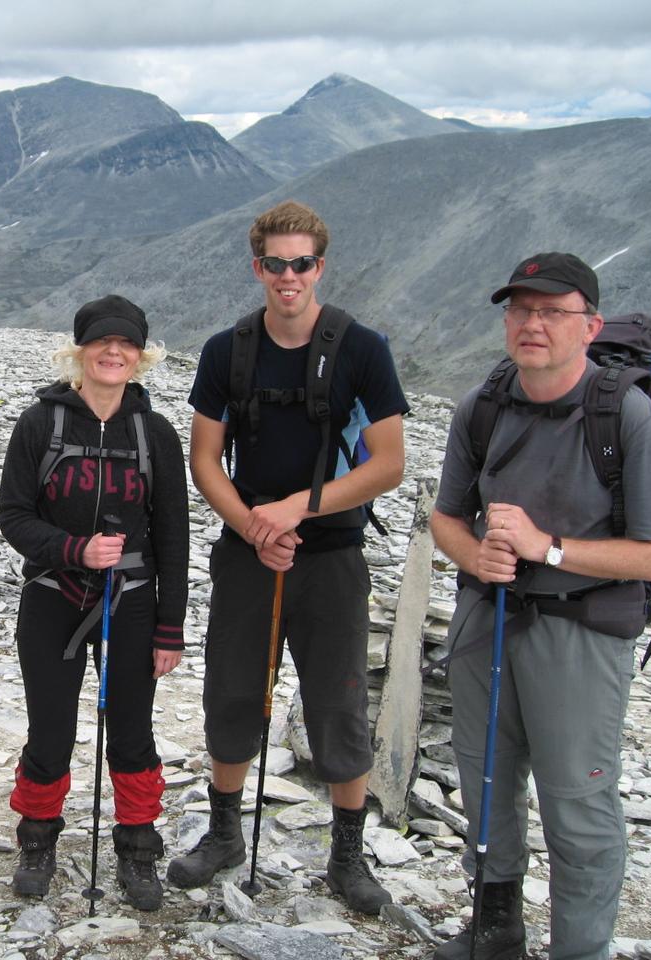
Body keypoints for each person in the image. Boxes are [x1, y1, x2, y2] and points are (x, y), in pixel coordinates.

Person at [430, 253, 651, 960]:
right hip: (488, 618)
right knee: (486, 780)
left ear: (590, 325)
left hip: (580, 632)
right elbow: (448, 518)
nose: (532, 324)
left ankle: (580, 949)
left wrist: (548, 548)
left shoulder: (625, 416)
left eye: (551, 311)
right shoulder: (482, 407)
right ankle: (494, 927)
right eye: (520, 309)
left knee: (576, 799)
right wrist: (473, 554)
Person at [176, 200, 407, 913]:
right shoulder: (227, 351)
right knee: (233, 689)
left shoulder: (362, 350)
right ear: (258, 268)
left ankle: (347, 854)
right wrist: (253, 527)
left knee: (337, 699)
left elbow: (389, 463)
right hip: (249, 553)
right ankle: (223, 832)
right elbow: (206, 457)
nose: (288, 276)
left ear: (320, 267)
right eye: (275, 264)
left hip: (333, 553)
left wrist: (293, 512)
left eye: (301, 263)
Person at [0, 295, 189, 910]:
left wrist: (170, 627)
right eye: (101, 341)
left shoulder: (154, 434)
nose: (114, 351)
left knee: (132, 730)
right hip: (54, 594)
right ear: (78, 351)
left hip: (132, 600)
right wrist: (75, 549)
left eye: (127, 343)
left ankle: (137, 846)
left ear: (141, 355)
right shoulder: (39, 424)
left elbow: (173, 535)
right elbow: (14, 516)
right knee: (49, 729)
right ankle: (37, 839)